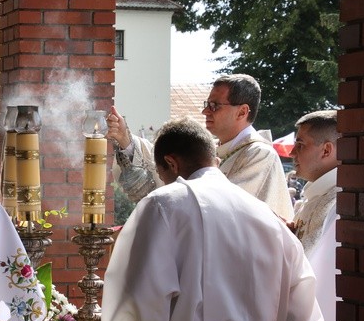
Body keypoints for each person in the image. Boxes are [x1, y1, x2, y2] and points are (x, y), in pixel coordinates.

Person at [101, 117, 337, 321]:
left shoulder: (162, 206)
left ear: (170, 163)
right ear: (213, 158)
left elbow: (141, 308)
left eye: (160, 173)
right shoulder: (269, 221)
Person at [107, 74, 294, 220]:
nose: (205, 111)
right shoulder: (211, 149)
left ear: (242, 111)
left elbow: (221, 206)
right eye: (207, 104)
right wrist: (125, 139)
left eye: (214, 106)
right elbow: (163, 155)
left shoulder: (259, 155)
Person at [289, 109, 339, 321]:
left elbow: (322, 278)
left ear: (327, 150)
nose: (291, 153)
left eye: (300, 145)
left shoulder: (338, 204)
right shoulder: (313, 197)